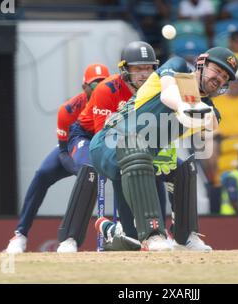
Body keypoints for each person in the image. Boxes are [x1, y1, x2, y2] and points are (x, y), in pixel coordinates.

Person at [90, 46, 238, 251]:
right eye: (217, 71)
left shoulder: (208, 107)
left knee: (184, 169)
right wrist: (182, 105)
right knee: (137, 149)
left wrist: (202, 113)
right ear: (202, 64)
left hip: (140, 163)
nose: (219, 79)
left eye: (224, 77)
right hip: (108, 143)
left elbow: (211, 125)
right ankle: (154, 235)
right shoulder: (177, 67)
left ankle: (184, 237)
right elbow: (167, 93)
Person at [56, 41, 167, 253]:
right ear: (125, 70)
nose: (144, 74)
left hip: (130, 141)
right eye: (137, 69)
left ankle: (156, 232)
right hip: (91, 137)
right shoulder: (107, 89)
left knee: (150, 168)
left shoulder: (157, 90)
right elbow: (104, 139)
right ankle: (69, 238)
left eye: (148, 68)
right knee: (90, 167)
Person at [5, 63, 110, 254]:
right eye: (94, 85)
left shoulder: (113, 100)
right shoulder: (69, 110)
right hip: (72, 149)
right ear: (84, 87)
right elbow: (63, 151)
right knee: (42, 175)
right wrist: (81, 171)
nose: (98, 90)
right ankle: (20, 235)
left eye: (103, 85)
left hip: (103, 147)